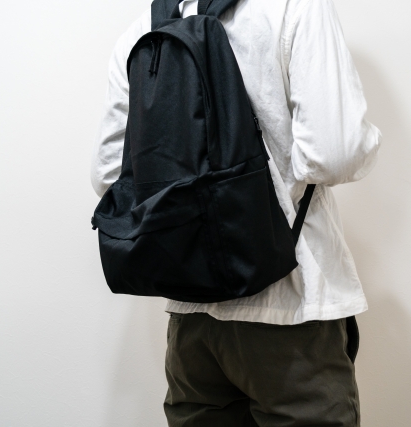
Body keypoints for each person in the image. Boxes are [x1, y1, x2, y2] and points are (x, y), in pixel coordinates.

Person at [91, 0, 381, 425]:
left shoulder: (144, 29)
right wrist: (367, 138)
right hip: (291, 307)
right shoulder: (294, 7)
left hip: (191, 320)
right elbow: (336, 153)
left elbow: (109, 177)